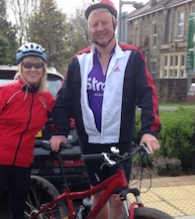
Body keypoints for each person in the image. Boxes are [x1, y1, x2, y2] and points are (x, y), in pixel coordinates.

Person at [49, 1, 161, 219]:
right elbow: (63, 101)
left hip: (119, 141)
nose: (99, 28)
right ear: (89, 29)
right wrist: (60, 131)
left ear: (115, 23)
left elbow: (148, 95)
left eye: (104, 23)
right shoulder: (79, 61)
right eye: (94, 25)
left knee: (118, 196)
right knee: (98, 194)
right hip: (90, 140)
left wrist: (149, 130)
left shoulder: (132, 57)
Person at [0, 42, 55, 219]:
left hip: (23, 161)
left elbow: (62, 117)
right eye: (27, 64)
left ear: (43, 69)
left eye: (37, 65)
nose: (32, 69)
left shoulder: (46, 98)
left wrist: (61, 133)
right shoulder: (5, 92)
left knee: (18, 209)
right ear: (21, 67)